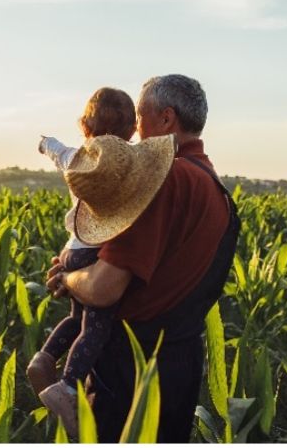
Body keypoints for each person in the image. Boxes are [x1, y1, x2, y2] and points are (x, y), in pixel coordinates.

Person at [45, 74, 241, 442]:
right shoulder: (213, 184)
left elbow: (103, 288)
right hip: (180, 364)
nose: (134, 129)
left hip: (132, 369)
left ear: (166, 120)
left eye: (140, 116)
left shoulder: (164, 179)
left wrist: (67, 279)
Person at [28, 87, 176, 439]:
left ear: (85, 126)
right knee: (95, 327)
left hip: (71, 249)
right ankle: (67, 387)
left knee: (74, 319)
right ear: (130, 130)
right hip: (95, 252)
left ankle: (44, 358)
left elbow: (55, 150)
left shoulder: (77, 159)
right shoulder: (127, 165)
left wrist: (45, 142)